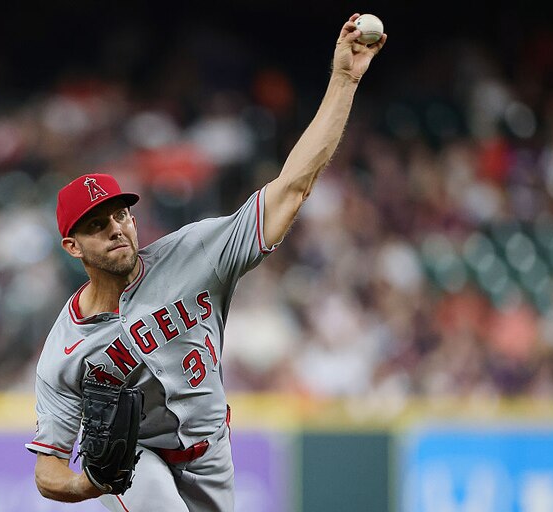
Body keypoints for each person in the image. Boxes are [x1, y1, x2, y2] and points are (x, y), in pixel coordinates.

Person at [26, 13, 386, 512]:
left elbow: (292, 187)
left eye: (120, 214)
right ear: (72, 246)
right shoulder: (64, 351)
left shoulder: (195, 253)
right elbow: (47, 473)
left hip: (211, 449)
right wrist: (91, 482)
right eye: (95, 225)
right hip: (137, 460)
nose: (115, 228)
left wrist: (343, 80)